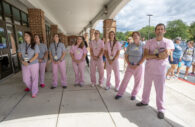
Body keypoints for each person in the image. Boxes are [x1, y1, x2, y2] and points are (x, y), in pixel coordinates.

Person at [136, 23, 174, 119]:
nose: (160, 31)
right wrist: (157, 56)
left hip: (160, 70)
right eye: (158, 29)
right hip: (149, 69)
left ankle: (161, 109)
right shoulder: (149, 42)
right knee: (146, 87)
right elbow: (145, 55)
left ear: (164, 31)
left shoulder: (168, 42)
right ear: (155, 31)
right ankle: (144, 101)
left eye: (162, 29)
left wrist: (152, 56)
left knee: (160, 90)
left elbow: (166, 54)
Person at [115, 32, 145, 100]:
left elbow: (144, 56)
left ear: (139, 36)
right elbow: (126, 55)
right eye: (133, 36)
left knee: (138, 81)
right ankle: (120, 93)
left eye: (136, 36)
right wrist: (129, 63)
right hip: (130, 65)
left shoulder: (143, 45)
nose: (135, 37)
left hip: (139, 66)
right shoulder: (130, 45)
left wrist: (138, 64)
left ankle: (134, 94)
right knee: (125, 80)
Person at [18, 32, 40, 98]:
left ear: (30, 37)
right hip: (24, 64)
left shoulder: (35, 45)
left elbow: (36, 55)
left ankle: (34, 92)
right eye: (24, 35)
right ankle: (32, 88)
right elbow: (19, 54)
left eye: (27, 35)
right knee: (25, 79)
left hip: (33, 64)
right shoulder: (21, 45)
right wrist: (22, 61)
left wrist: (28, 61)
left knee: (34, 78)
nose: (25, 36)